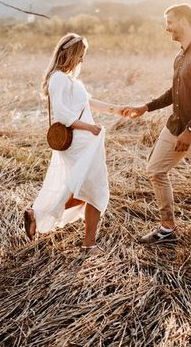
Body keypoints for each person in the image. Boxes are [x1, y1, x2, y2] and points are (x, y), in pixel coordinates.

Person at [123, 4, 191, 249]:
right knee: (155, 170)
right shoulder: (180, 56)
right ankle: (167, 228)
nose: (166, 27)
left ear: (183, 21)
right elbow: (174, 92)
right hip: (175, 126)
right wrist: (145, 107)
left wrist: (189, 131)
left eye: (169, 22)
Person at [23, 33, 124, 256]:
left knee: (86, 190)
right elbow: (61, 114)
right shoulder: (58, 78)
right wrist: (89, 128)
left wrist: (117, 109)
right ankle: (89, 245)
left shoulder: (71, 80)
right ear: (70, 53)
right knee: (96, 191)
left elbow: (88, 103)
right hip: (79, 143)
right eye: (80, 55)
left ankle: (37, 216)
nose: (81, 61)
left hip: (87, 142)